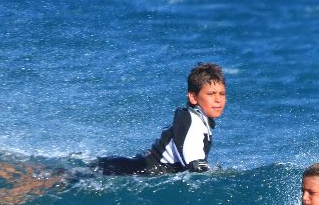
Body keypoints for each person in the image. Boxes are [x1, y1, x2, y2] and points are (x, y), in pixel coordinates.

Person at [93, 62, 226, 175]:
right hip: (130, 171)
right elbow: (195, 163)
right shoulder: (194, 123)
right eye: (211, 94)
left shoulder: (196, 119)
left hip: (131, 166)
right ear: (193, 97)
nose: (218, 100)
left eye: (222, 93)